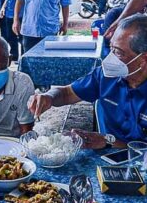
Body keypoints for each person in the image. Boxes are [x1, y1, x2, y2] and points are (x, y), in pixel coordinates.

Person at [28, 14, 147, 149]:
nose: (110, 58)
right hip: (107, 157)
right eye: (111, 48)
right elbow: (67, 93)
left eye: (118, 52)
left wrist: (108, 142)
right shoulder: (106, 76)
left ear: (143, 59)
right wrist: (49, 96)